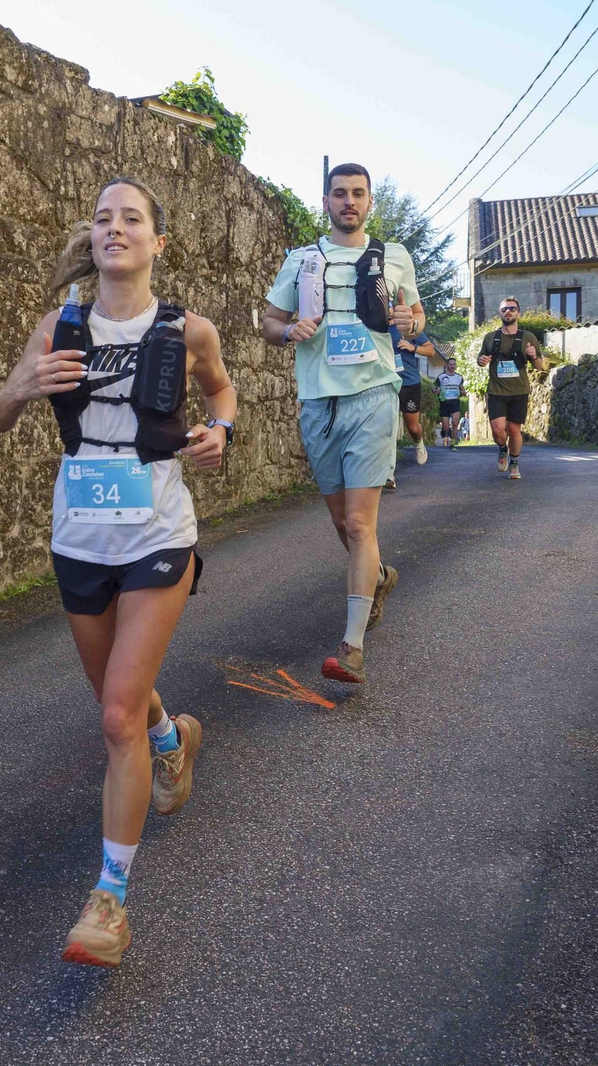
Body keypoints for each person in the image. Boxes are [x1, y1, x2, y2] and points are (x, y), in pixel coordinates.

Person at [0, 177, 237, 967]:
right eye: (103, 218)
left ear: (159, 242)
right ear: (91, 240)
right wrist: (25, 384)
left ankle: (109, 901)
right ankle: (175, 738)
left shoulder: (189, 329)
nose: (115, 228)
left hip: (160, 531)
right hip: (80, 536)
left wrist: (219, 430)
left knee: (114, 718)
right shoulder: (57, 326)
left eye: (132, 219)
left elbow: (221, 390)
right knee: (120, 703)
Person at [262, 163, 423, 684]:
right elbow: (269, 321)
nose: (348, 201)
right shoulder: (302, 260)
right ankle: (377, 576)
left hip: (375, 393)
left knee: (359, 524)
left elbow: (415, 315)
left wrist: (409, 321)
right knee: (341, 524)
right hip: (318, 401)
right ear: (326, 201)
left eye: (358, 194)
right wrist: (288, 333)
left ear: (370, 201)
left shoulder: (394, 257)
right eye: (339, 193)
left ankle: (351, 646)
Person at [476, 296, 547, 480]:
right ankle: (502, 448)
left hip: (519, 392)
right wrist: (481, 360)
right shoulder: (490, 338)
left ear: (518, 313)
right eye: (504, 309)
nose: (508, 312)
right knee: (498, 431)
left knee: (515, 430)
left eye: (512, 309)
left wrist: (533, 356)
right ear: (500, 313)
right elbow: (481, 359)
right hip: (497, 392)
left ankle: (514, 463)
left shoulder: (528, 337)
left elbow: (540, 366)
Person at [392, 327, 432, 466]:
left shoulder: (407, 327)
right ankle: (389, 472)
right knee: (386, 427)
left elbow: (430, 350)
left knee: (412, 427)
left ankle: (419, 444)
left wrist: (412, 347)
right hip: (385, 382)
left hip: (408, 382)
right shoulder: (373, 325)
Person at [434, 356, 465, 448]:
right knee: (446, 427)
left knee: (455, 423)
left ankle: (452, 444)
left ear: (456, 366)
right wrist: (435, 390)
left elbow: (462, 389)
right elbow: (433, 386)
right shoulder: (441, 377)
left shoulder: (459, 377)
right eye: (450, 364)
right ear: (447, 365)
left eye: (454, 364)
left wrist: (463, 392)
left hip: (455, 403)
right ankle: (444, 431)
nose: (452, 366)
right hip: (444, 403)